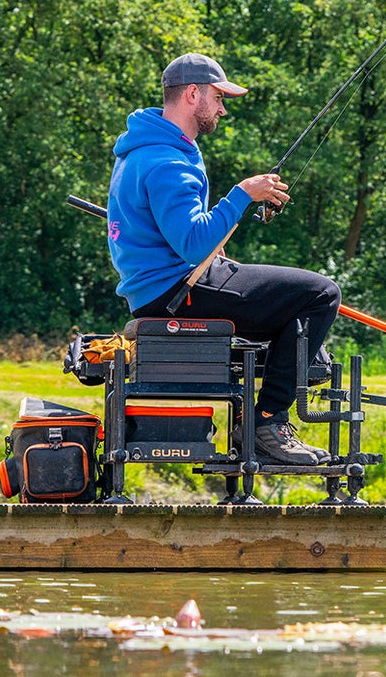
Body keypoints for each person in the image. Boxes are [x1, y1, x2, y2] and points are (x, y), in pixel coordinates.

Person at [106, 52, 340, 465]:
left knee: (296, 302)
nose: (222, 108)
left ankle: (268, 416)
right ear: (193, 94)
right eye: (217, 97)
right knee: (320, 293)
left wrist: (213, 241)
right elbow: (194, 244)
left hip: (170, 284)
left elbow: (178, 233)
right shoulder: (165, 161)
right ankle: (268, 421)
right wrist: (242, 194)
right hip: (177, 293)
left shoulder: (147, 148)